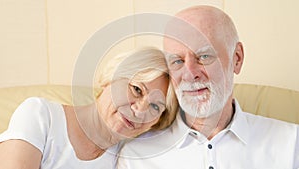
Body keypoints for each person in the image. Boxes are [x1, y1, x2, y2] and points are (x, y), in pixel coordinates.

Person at [117, 6, 299, 169]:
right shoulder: (136, 157)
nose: (190, 74)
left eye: (204, 56)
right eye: (177, 61)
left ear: (237, 58)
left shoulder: (292, 144)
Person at [0, 47, 178, 169]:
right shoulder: (40, 115)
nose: (140, 111)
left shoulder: (131, 157)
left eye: (155, 107)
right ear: (112, 77)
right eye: (137, 89)